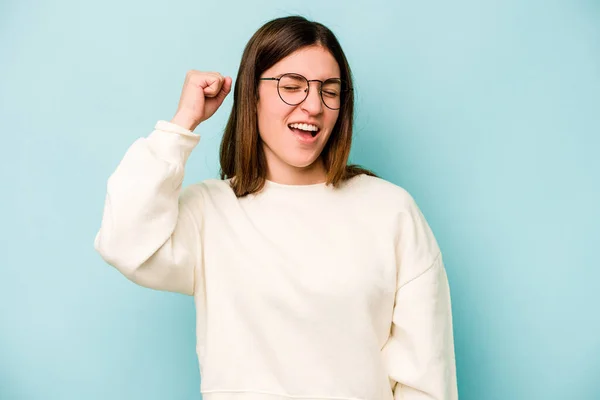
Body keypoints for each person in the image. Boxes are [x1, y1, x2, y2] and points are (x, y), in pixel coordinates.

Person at [94, 15, 458, 400]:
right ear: (252, 94)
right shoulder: (210, 212)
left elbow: (427, 377)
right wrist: (183, 122)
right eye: (292, 87)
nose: (314, 105)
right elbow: (124, 242)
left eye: (329, 91)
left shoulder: (391, 211)